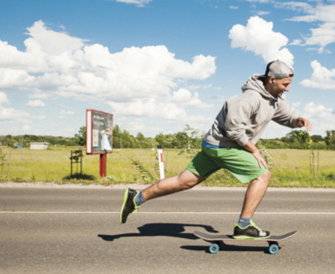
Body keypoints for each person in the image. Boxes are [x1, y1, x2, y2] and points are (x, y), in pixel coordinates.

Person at [119, 60, 312, 239]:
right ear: (272, 80)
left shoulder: (273, 99)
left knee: (183, 181)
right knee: (262, 174)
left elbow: (285, 113)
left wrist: (298, 120)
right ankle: (244, 226)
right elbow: (234, 131)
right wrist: (254, 150)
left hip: (214, 146)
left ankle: (136, 198)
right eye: (285, 84)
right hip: (224, 146)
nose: (288, 89)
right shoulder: (248, 98)